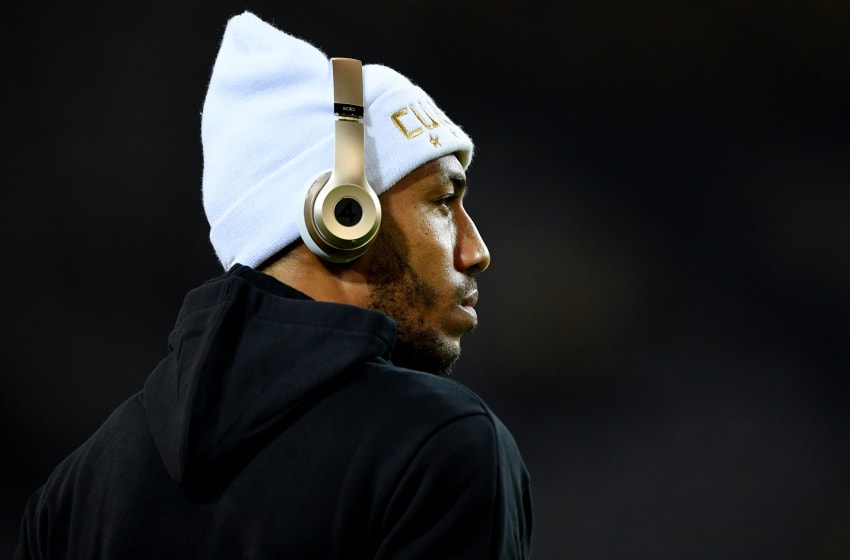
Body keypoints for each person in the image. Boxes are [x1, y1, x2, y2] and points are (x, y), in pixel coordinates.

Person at [14, 11, 532, 559]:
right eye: (444, 202)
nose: (476, 252)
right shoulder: (443, 444)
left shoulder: (70, 498)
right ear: (344, 215)